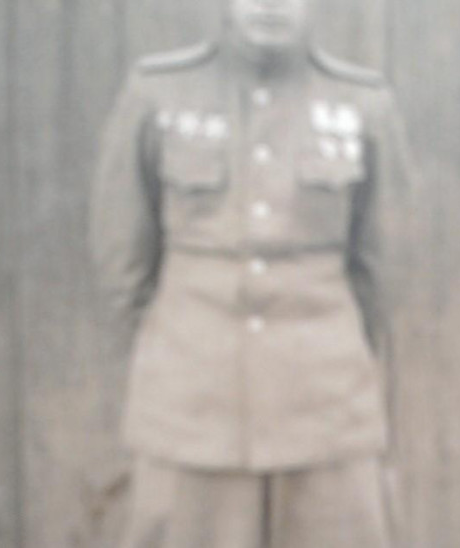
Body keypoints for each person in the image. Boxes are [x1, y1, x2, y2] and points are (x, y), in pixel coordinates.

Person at [89, 0, 418, 546]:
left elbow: (383, 266)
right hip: (192, 401)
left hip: (324, 402)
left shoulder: (363, 103)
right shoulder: (158, 93)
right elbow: (123, 259)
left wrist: (332, 353)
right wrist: (171, 352)